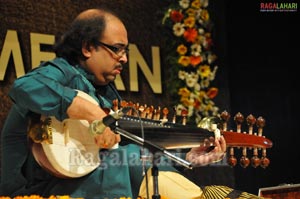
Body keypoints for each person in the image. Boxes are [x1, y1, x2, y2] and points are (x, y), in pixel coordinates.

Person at [0, 7, 263, 199]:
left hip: (87, 180)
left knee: (134, 156)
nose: (125, 58)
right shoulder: (61, 73)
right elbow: (24, 87)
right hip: (38, 188)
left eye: (125, 50)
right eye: (117, 49)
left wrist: (187, 156)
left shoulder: (108, 96)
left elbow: (132, 148)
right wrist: (94, 115)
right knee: (130, 158)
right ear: (88, 47)